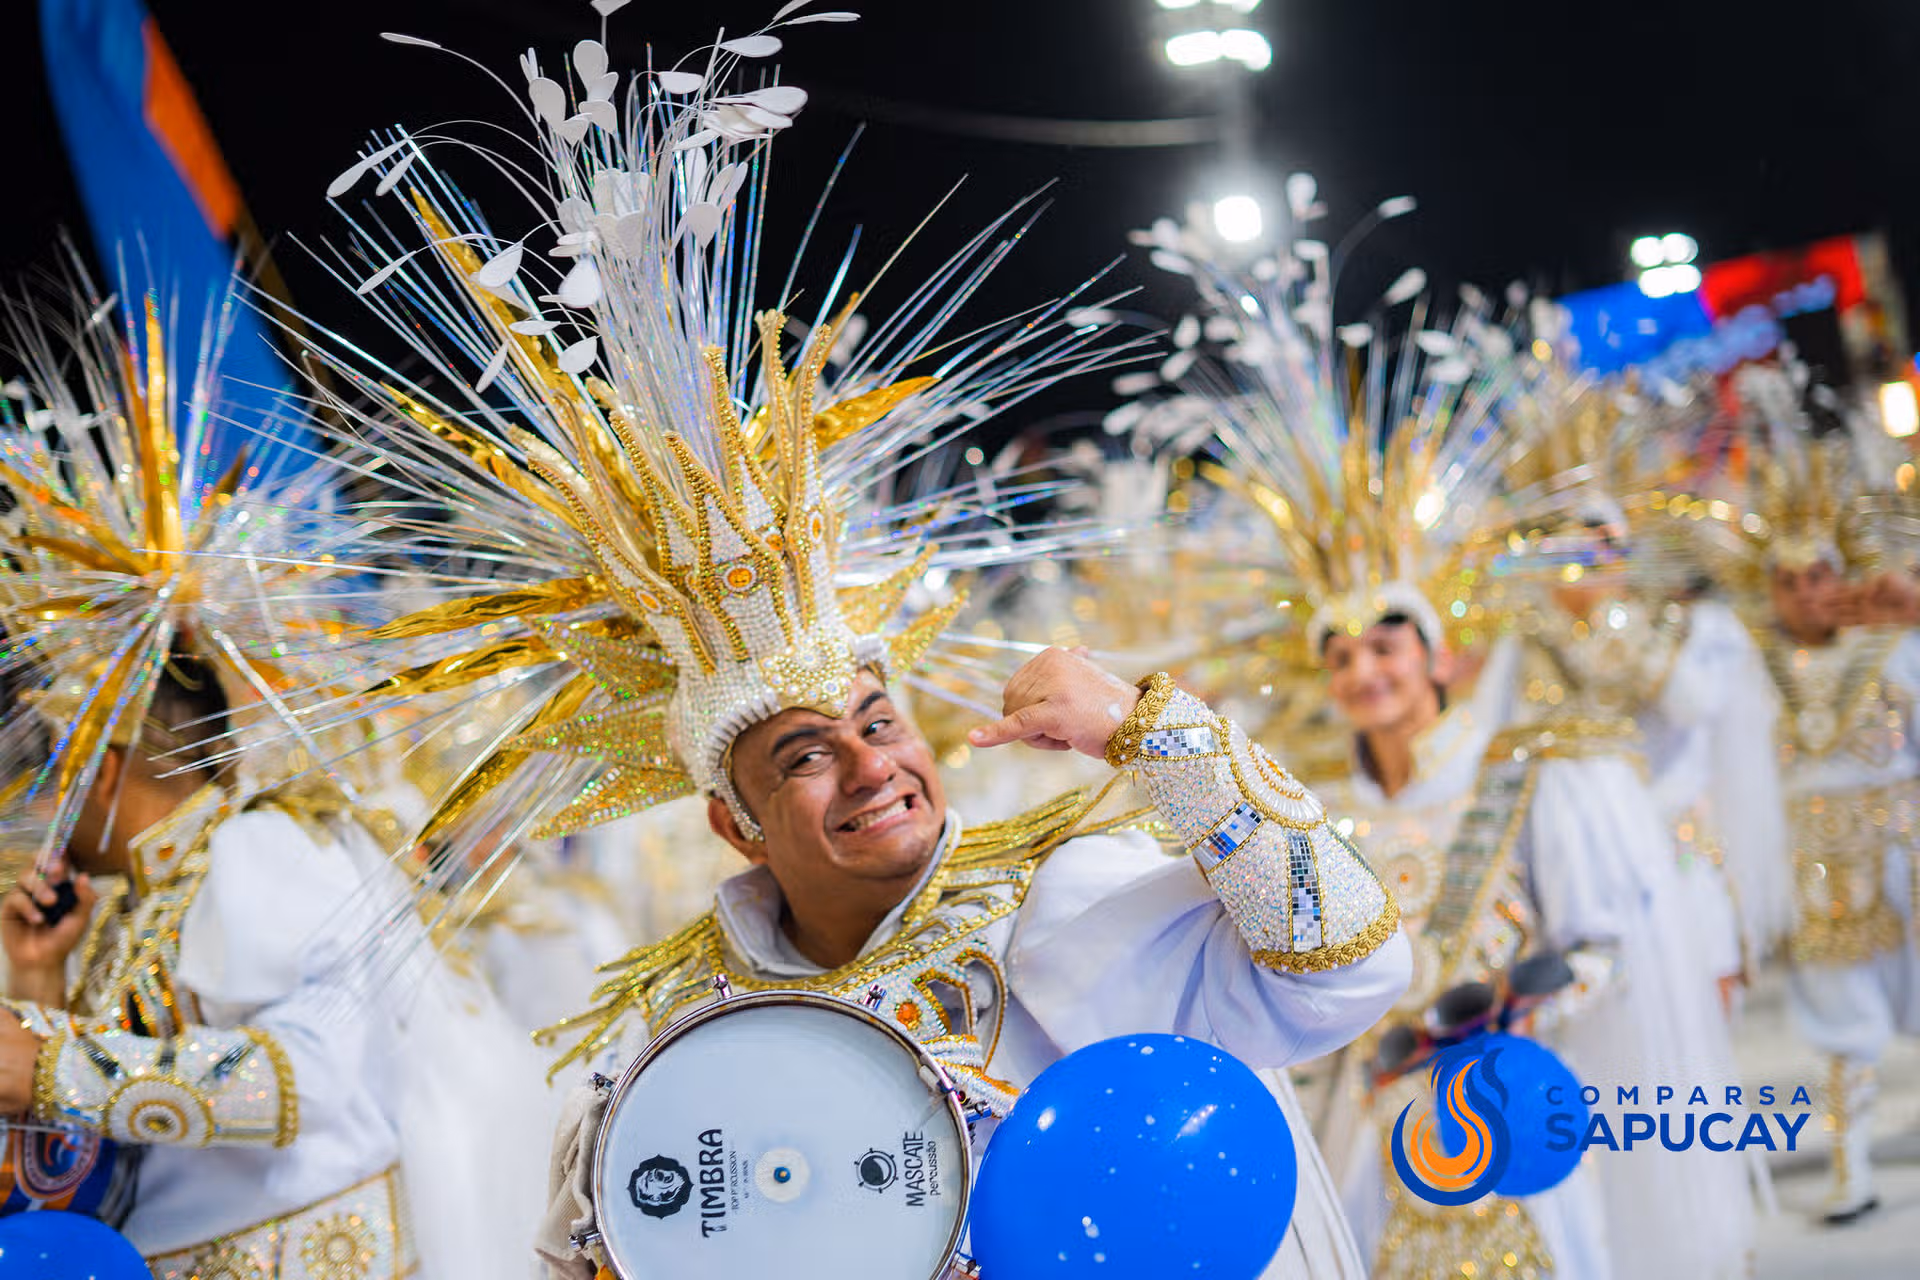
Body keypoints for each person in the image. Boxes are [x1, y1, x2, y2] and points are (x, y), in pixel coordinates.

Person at [289, 14, 1410, 1278]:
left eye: (878, 723)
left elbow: (1350, 967)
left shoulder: (1063, 905)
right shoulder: (680, 1030)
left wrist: (1155, 732)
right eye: (806, 755)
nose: (873, 765)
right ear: (734, 821)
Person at [1120, 210, 1757, 1279]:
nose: (1367, 672)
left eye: (1388, 646)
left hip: (1521, 1097)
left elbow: (1603, 938)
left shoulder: (1531, 770)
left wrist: (1520, 1007)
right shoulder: (1308, 805)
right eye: (1344, 656)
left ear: (1442, 657)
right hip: (1380, 1121)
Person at [0, 276, 547, 1275]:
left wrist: (54, 1056)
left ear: (107, 763)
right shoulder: (132, 907)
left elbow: (307, 1077)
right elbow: (90, 1163)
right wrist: (40, 981)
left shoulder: (262, 846)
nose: (35, 796)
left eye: (48, 761)